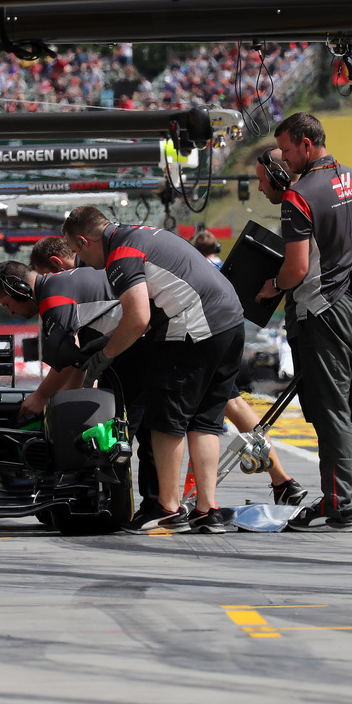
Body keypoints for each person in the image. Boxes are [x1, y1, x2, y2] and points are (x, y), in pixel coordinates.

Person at [255, 113, 352, 532]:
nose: (281, 158)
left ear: (304, 144)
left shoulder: (299, 196)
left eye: (284, 149)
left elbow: (296, 269)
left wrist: (271, 287)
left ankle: (339, 505)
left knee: (332, 410)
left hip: (323, 313)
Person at [63, 205, 245, 535]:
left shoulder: (121, 253)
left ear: (83, 240)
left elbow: (138, 318)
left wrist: (104, 355)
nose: (82, 262)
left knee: (165, 419)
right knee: (206, 420)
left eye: (77, 252)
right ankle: (207, 510)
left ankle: (168, 508)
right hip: (230, 320)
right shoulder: (143, 234)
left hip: (194, 326)